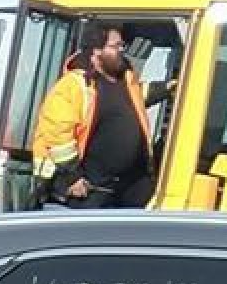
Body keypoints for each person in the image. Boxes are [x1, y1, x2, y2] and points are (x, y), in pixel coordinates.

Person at [31, 23, 156, 208]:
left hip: (128, 191)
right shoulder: (73, 86)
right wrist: (73, 177)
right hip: (89, 192)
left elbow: (139, 96)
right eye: (115, 46)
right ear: (96, 51)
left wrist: (170, 87)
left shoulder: (126, 81)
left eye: (122, 46)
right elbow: (57, 135)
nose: (121, 50)